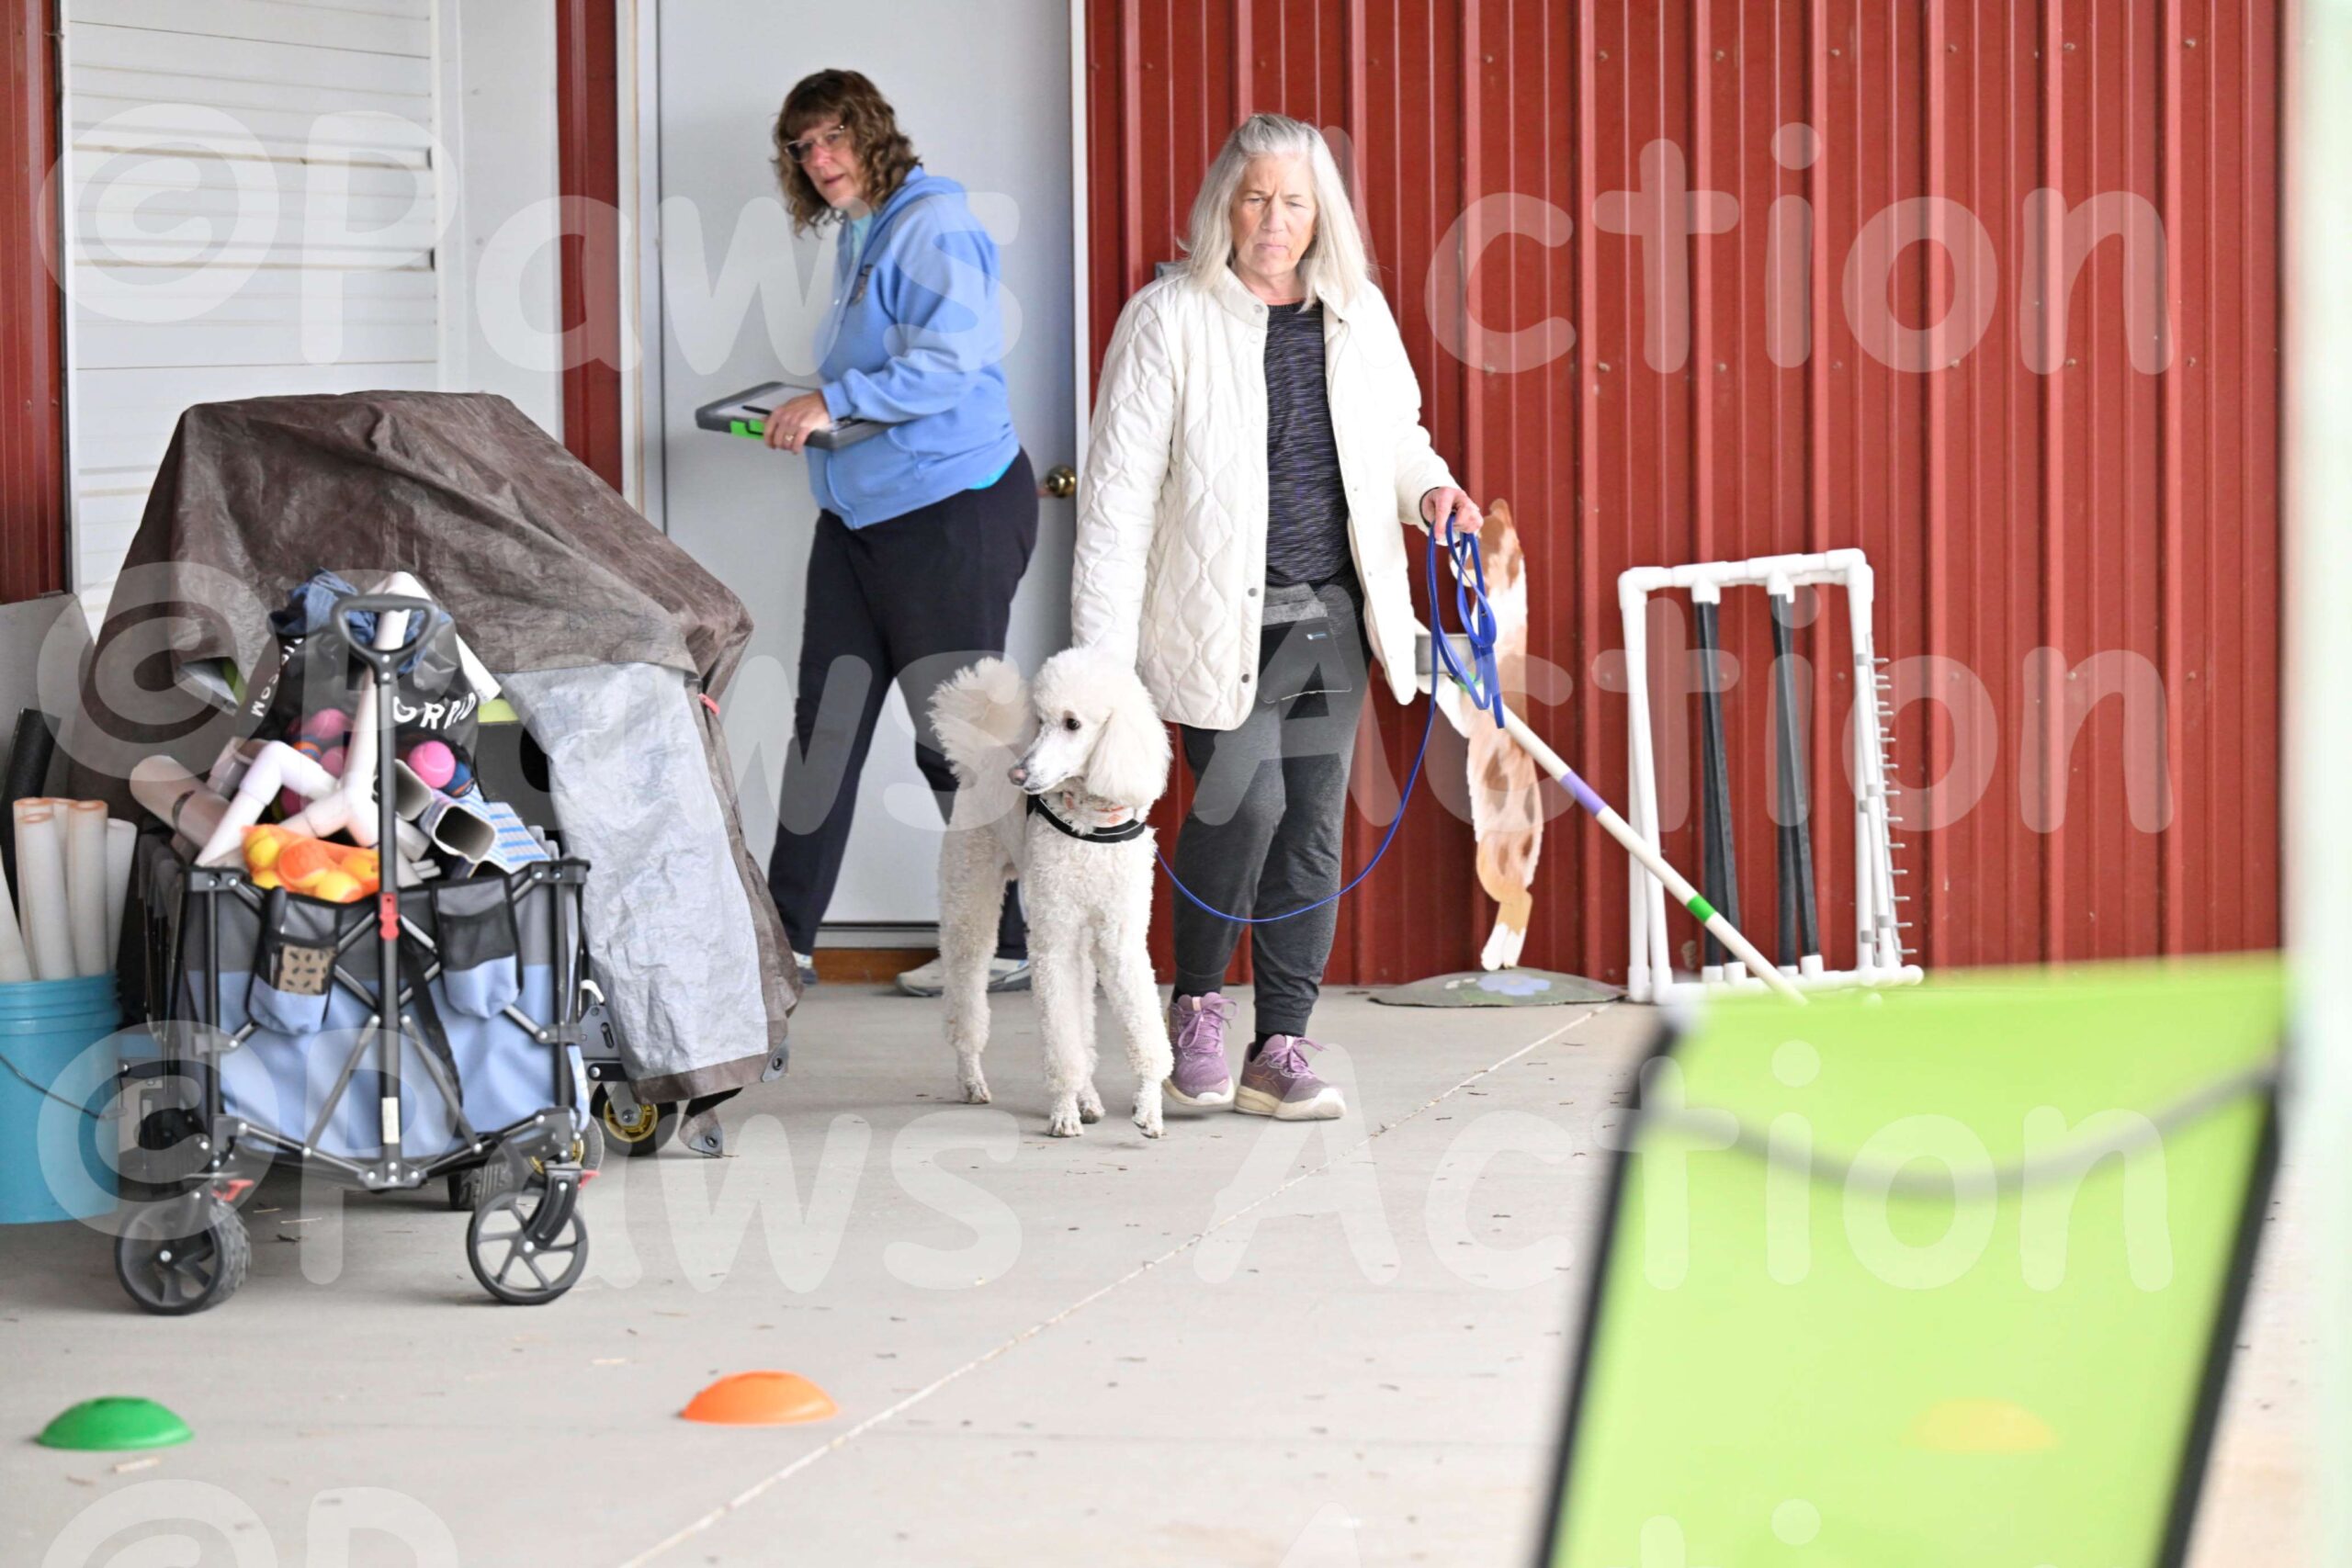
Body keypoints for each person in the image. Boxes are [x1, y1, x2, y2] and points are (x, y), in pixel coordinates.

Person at [1070, 113, 1480, 1121]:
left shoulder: (1357, 313)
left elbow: (1398, 438)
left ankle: (1281, 1045)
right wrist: (1101, 679)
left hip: (1330, 612)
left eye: (1294, 201)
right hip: (1219, 617)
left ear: (1319, 212)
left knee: (1309, 827)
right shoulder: (1167, 318)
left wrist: (1431, 491)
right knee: (1241, 806)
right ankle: (1197, 1010)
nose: (1274, 220)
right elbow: (1116, 504)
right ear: (1226, 204)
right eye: (1256, 197)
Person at [761, 68, 1035, 997]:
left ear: (872, 132)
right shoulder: (861, 230)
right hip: (858, 522)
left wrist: (831, 401)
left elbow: (952, 363)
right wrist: (812, 408)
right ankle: (783, 946)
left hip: (950, 512)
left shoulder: (933, 223)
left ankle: (1009, 942)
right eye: (803, 147)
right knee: (824, 735)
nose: (819, 159)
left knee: (954, 739)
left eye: (833, 137)